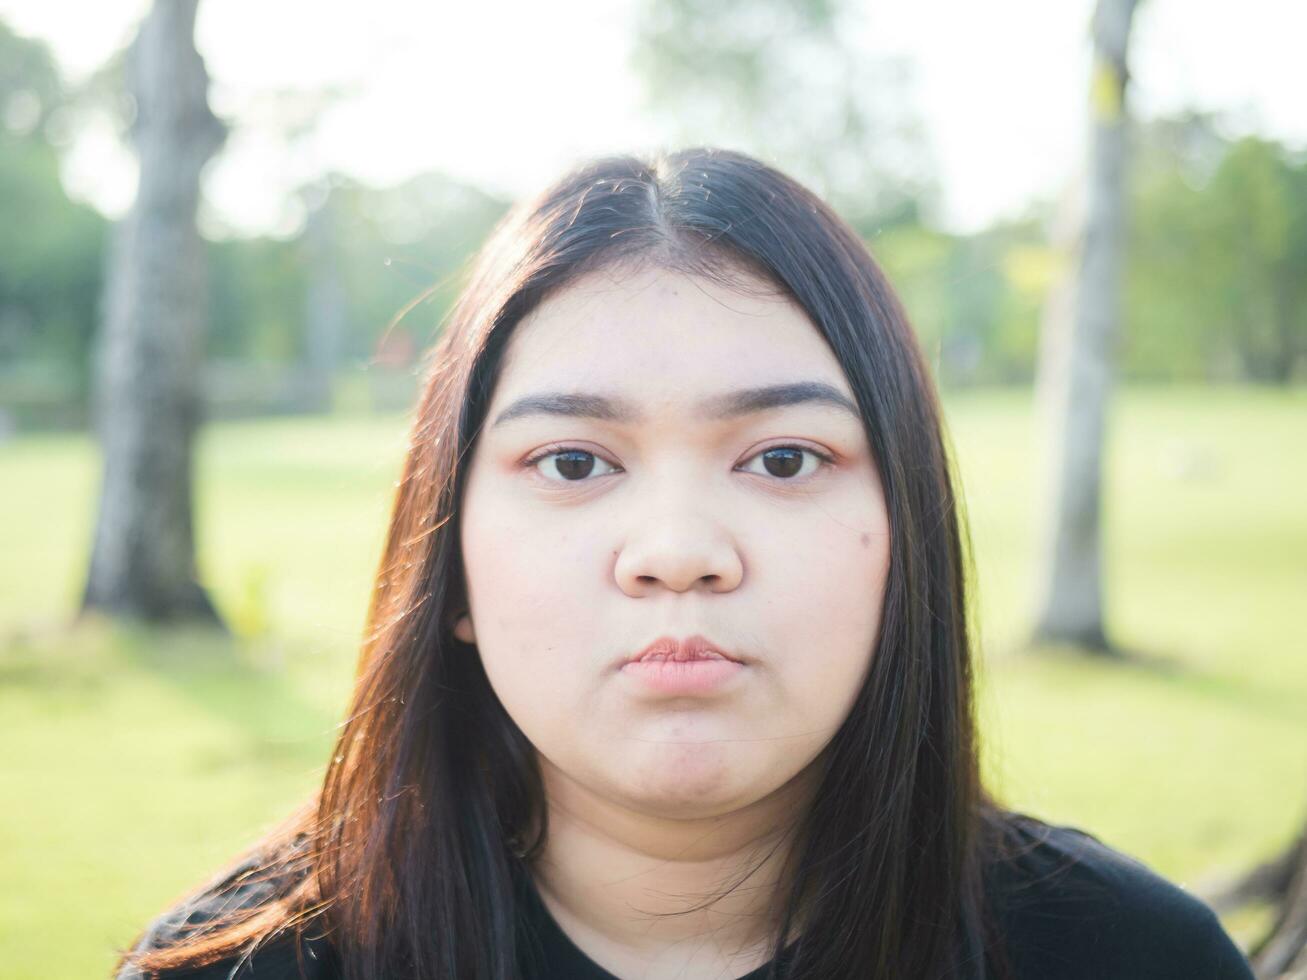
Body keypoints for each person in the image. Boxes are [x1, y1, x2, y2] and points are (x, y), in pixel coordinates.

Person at [114, 147, 1255, 980]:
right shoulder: (235, 968)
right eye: (570, 462)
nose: (677, 553)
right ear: (448, 558)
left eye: (781, 457)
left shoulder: (1130, 956)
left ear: (904, 539)